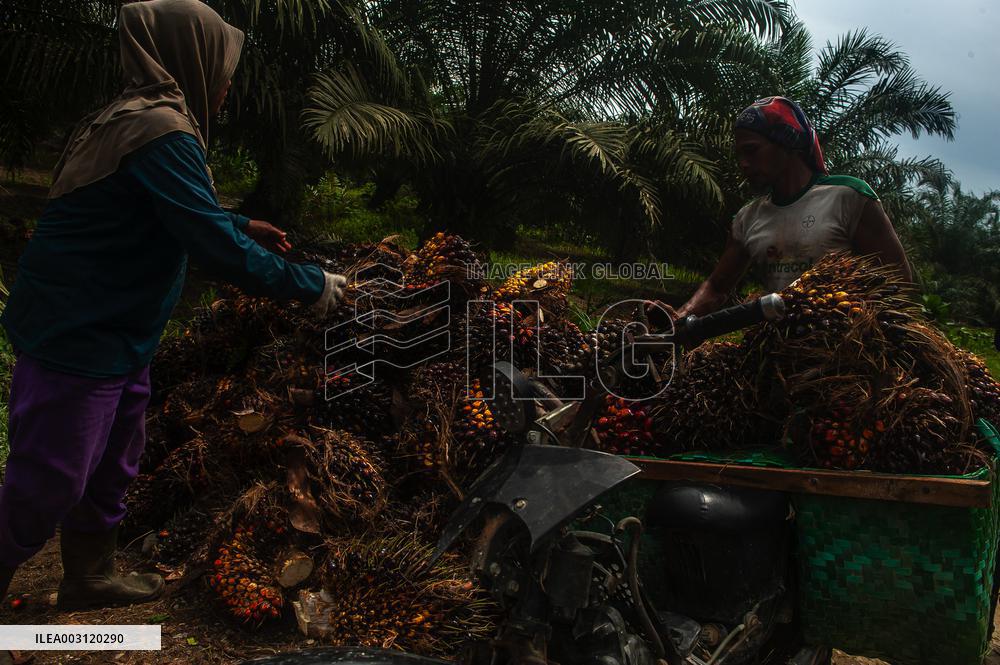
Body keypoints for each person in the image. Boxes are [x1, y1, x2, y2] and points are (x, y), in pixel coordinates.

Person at [0, 0, 347, 636]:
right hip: (77, 331)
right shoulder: (158, 126)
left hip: (119, 329)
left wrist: (239, 222)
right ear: (189, 55)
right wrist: (310, 286)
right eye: (223, 69)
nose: (226, 83)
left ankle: (89, 574)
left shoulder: (140, 117)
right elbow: (208, 244)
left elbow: (169, 209)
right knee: (51, 476)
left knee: (115, 459)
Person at [648, 96, 912, 325]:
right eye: (739, 154)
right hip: (781, 348)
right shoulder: (747, 219)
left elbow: (899, 285)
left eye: (751, 151)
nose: (743, 164)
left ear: (787, 142)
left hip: (847, 353)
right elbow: (717, 287)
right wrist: (680, 318)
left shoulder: (848, 197)